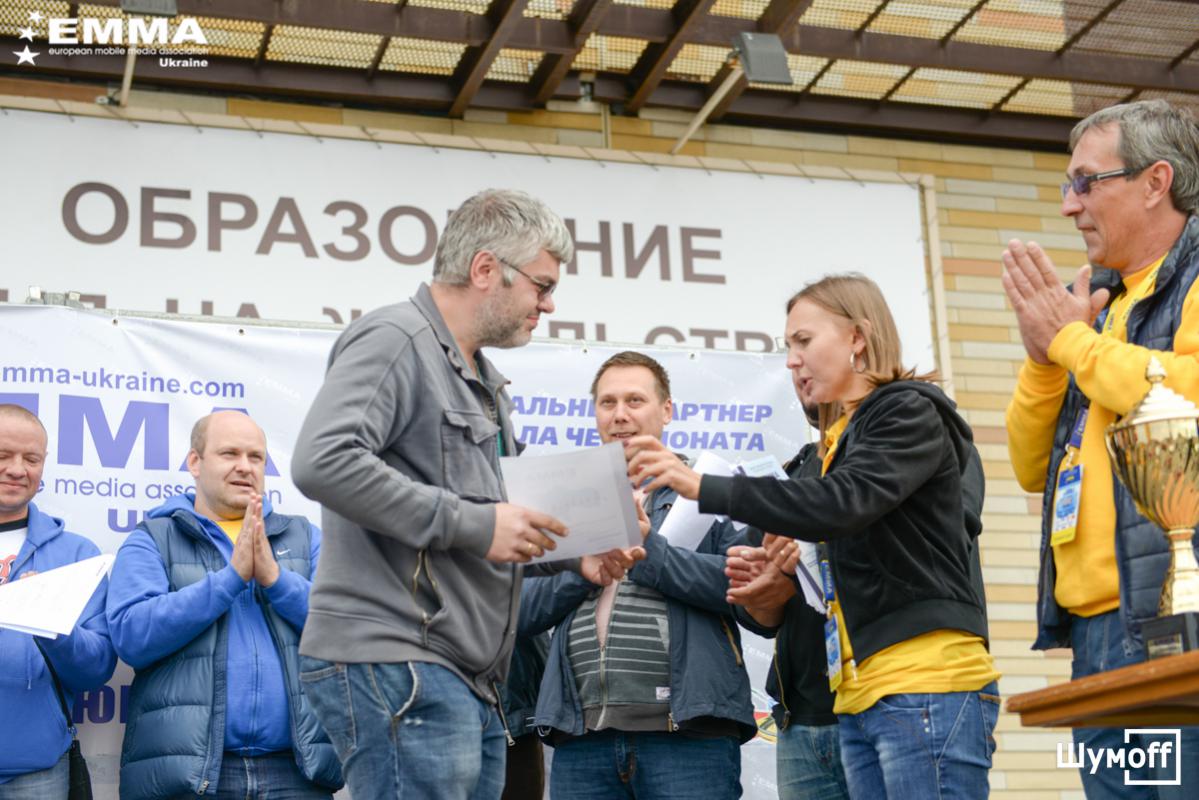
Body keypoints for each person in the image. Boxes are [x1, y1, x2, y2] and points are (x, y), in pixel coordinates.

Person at [290, 188, 639, 800]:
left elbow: (502, 515)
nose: (549, 304)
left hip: (468, 677)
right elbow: (323, 460)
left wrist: (577, 551)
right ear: (484, 269)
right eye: (541, 285)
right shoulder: (395, 338)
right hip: (400, 658)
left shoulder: (487, 383)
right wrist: (475, 526)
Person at [629, 274, 1000, 799]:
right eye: (787, 347)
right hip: (856, 695)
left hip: (925, 684)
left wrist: (702, 486)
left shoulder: (908, 408)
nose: (791, 361)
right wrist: (781, 568)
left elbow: (843, 502)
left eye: (803, 341)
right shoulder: (832, 448)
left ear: (858, 337)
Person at [1003, 98, 1199, 797]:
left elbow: (1186, 397)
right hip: (1094, 633)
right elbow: (1031, 468)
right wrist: (1044, 360)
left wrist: (1070, 341)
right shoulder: (1096, 305)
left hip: (1177, 621)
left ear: (1155, 182)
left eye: (1086, 182)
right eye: (1068, 185)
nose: (1069, 206)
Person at [520, 351, 756, 800]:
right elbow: (520, 611)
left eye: (634, 400)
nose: (620, 415)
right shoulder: (567, 502)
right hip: (582, 737)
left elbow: (747, 589)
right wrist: (585, 566)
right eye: (607, 403)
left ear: (667, 410)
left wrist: (650, 554)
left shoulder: (709, 489)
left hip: (687, 738)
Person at [106, 410, 340, 800]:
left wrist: (276, 580)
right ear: (195, 462)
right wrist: (230, 580)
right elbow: (132, 636)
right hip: (193, 775)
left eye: (256, 457)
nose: (245, 466)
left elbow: (346, 628)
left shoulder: (304, 537)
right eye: (229, 453)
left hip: (297, 771)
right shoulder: (153, 538)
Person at [0, 404, 117, 796]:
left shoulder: (78, 555)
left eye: (31, 459)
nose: (17, 469)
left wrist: (52, 624)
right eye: (3, 455)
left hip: (36, 771)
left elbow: (96, 670)